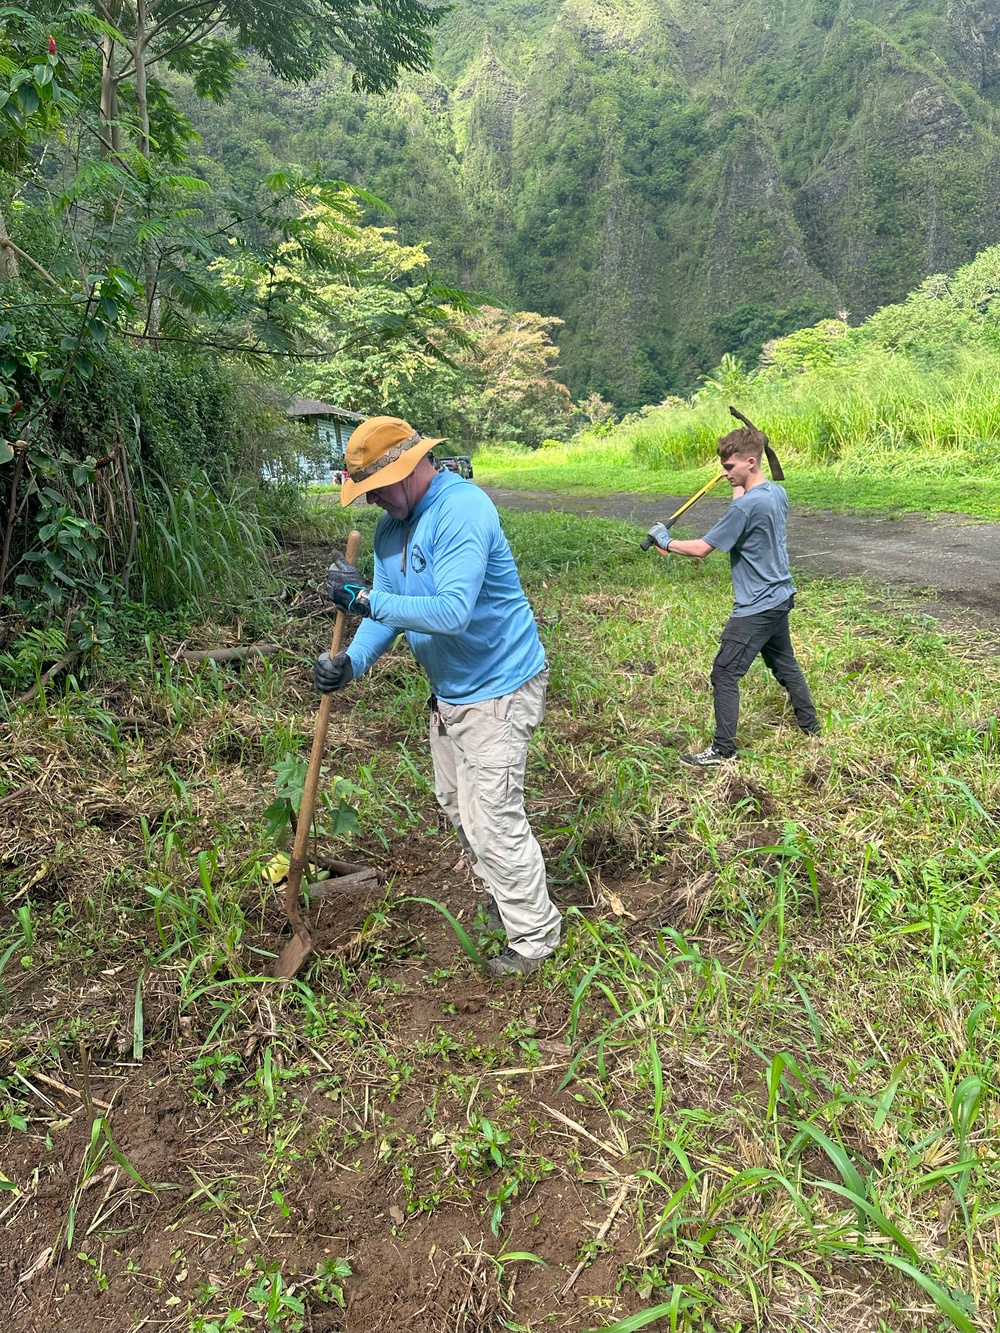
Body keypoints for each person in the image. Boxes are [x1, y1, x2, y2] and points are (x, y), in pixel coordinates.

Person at [312, 416, 562, 977]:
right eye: (366, 492)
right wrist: (351, 661)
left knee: (493, 816)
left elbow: (451, 611)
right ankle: (507, 898)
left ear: (408, 467)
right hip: (449, 694)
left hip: (499, 685)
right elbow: (387, 613)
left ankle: (535, 938)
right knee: (458, 808)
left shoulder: (461, 510)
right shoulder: (390, 530)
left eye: (376, 486)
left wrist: (366, 600)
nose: (373, 500)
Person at [646, 424, 819, 766]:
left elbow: (701, 549)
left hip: (756, 606)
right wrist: (737, 484)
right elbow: (741, 503)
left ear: (751, 461)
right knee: (783, 662)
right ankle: (811, 727)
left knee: (724, 673)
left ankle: (723, 751)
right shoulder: (774, 494)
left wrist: (664, 540)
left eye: (729, 468)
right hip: (780, 595)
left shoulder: (745, 509)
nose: (724, 473)